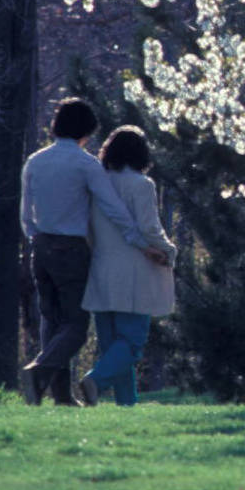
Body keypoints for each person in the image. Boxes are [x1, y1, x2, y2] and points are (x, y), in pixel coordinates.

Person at [19, 99, 170, 406]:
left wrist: (36, 238)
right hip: (72, 250)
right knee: (77, 327)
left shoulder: (35, 161)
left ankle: (63, 395)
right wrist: (145, 245)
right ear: (86, 131)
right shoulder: (86, 165)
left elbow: (26, 213)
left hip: (41, 246)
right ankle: (43, 372)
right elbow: (114, 210)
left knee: (53, 322)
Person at [75, 125, 179, 407]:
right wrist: (168, 250)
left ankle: (126, 404)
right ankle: (95, 380)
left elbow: (89, 230)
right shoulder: (142, 185)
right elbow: (149, 227)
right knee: (131, 343)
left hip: (101, 267)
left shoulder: (97, 185)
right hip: (135, 268)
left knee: (112, 346)